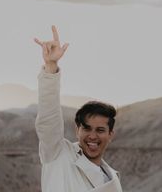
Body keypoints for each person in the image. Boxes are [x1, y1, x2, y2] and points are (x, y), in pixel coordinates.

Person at [34, 25, 122, 192]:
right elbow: (48, 120)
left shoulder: (112, 177)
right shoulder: (59, 154)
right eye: (87, 128)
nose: (93, 136)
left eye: (100, 130)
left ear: (110, 134)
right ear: (77, 130)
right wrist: (51, 67)